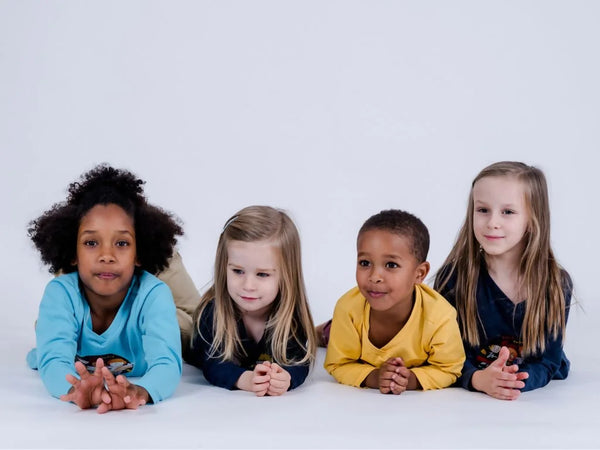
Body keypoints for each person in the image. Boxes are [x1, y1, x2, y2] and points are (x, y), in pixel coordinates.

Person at [27, 164, 183, 413]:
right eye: (91, 242)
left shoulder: (154, 296)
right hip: (58, 359)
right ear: (73, 253)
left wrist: (138, 392)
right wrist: (76, 390)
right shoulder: (60, 293)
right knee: (45, 348)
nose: (106, 255)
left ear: (139, 253)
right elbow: (54, 362)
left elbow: (168, 363)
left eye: (122, 243)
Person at [434, 161, 573, 400]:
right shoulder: (453, 280)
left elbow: (548, 361)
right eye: (483, 210)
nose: (492, 222)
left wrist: (512, 381)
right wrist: (477, 380)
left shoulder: (555, 284)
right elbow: (444, 356)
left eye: (507, 212)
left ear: (532, 219)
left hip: (527, 392)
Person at [324, 210, 465, 393]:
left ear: (419, 273)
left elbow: (450, 368)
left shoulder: (440, 316)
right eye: (365, 263)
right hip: (346, 331)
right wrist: (375, 377)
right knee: (325, 335)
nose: (375, 277)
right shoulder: (347, 309)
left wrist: (411, 380)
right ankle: (322, 330)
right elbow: (338, 364)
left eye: (391, 265)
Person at [189, 205, 317, 396]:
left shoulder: (290, 316)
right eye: (238, 271)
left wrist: (286, 377)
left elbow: (298, 360)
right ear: (224, 267)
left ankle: (324, 331)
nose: (248, 285)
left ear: (287, 275)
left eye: (262, 274)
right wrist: (244, 379)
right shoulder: (214, 311)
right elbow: (213, 365)